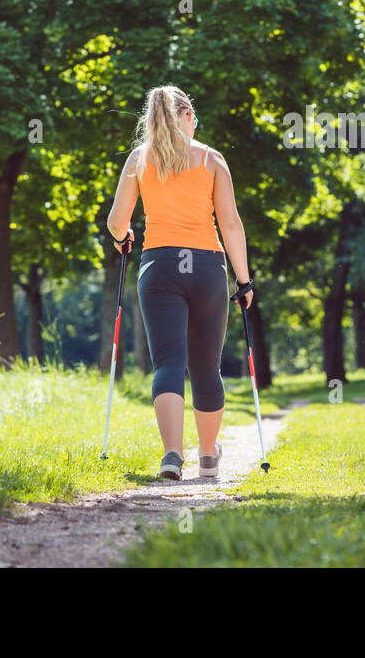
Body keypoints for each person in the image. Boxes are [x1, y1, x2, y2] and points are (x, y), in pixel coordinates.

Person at [106, 85, 254, 481]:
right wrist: (244, 280)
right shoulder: (211, 158)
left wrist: (124, 240)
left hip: (159, 265)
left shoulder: (140, 158)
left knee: (168, 363)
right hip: (206, 267)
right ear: (186, 116)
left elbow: (117, 222)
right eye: (195, 116)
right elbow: (231, 223)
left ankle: (172, 455)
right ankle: (208, 455)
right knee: (206, 366)